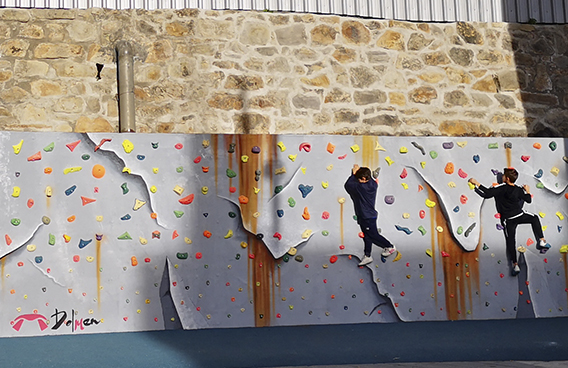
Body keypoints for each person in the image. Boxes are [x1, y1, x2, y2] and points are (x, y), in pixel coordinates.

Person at [469, 168, 550, 276]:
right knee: (534, 218)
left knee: (511, 240)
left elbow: (487, 194)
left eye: (503, 175)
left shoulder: (502, 188)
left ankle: (515, 264)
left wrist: (476, 183)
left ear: (507, 178)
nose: (501, 177)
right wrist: (528, 191)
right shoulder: (518, 190)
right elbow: (528, 200)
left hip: (508, 220)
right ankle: (541, 240)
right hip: (519, 215)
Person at [344, 164, 396, 266]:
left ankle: (390, 246)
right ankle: (367, 256)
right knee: (367, 236)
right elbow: (367, 178)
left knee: (373, 235)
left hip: (366, 216)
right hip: (368, 215)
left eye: (359, 178)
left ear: (363, 179)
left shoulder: (361, 187)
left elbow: (348, 185)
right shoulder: (373, 184)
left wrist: (353, 174)